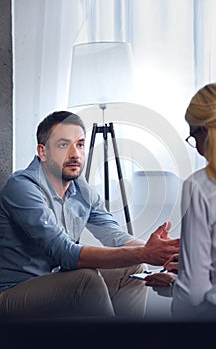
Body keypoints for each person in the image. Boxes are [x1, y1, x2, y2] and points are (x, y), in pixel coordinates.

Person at [0, 110, 179, 320]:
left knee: (134, 266)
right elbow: (65, 253)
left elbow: (114, 236)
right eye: (63, 145)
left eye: (80, 144)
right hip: (12, 293)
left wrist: (164, 253)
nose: (75, 154)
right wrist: (146, 252)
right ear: (43, 152)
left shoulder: (80, 188)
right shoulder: (22, 187)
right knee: (85, 279)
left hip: (56, 280)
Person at [171, 82, 216, 321]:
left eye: (192, 135)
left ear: (205, 131)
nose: (195, 145)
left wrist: (177, 284)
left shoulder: (199, 186)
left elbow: (193, 292)